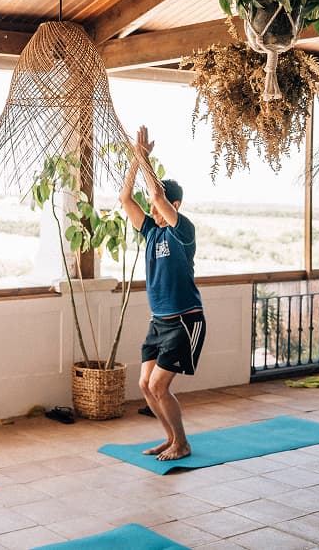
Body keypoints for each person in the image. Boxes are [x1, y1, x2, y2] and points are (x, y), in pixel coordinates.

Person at [119, 125, 205, 462]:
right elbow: (126, 199)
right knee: (145, 385)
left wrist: (144, 160)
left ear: (176, 204)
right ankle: (171, 439)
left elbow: (156, 197)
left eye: (160, 205)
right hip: (159, 323)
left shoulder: (183, 231)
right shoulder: (152, 232)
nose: (152, 210)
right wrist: (134, 162)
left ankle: (181, 442)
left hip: (185, 321)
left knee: (158, 386)